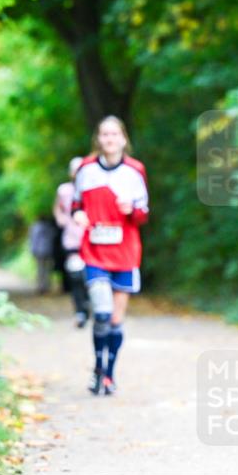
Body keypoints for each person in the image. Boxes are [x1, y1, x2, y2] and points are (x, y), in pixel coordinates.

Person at [72, 117, 149, 396]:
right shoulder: (85, 169)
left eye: (115, 134)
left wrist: (133, 210)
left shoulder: (135, 170)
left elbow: (144, 214)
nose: (110, 139)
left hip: (125, 254)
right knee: (101, 313)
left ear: (123, 139)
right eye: (104, 134)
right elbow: (76, 203)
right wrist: (78, 214)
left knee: (115, 320)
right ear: (98, 139)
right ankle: (98, 367)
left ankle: (109, 374)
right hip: (94, 253)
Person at [54, 157, 90, 327]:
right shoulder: (64, 190)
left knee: (91, 276)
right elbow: (57, 208)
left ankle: (91, 305)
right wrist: (61, 219)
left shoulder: (92, 188)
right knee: (75, 277)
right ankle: (80, 311)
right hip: (72, 239)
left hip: (92, 239)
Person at [29, 214, 58, 294]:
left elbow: (33, 240)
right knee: (47, 270)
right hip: (48, 250)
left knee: (41, 269)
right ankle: (45, 286)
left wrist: (32, 250)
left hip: (39, 251)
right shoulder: (49, 227)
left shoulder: (35, 227)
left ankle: (41, 286)